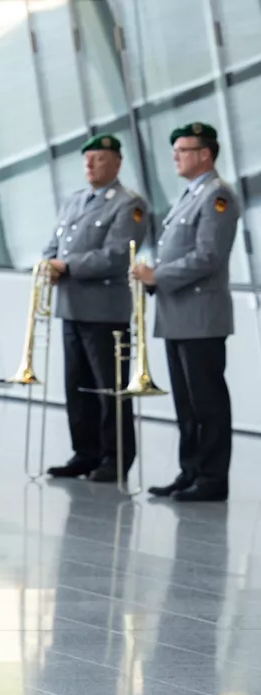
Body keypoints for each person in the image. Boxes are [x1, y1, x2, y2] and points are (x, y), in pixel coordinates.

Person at [132, 123, 238, 503]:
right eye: (175, 150)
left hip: (201, 316)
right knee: (186, 403)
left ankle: (212, 478)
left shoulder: (216, 196)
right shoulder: (189, 196)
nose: (175, 156)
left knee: (207, 401)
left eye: (183, 149)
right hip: (177, 315)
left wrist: (157, 274)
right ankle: (190, 471)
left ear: (205, 154)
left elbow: (208, 256)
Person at [43, 134, 148, 483]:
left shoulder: (128, 204)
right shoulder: (73, 201)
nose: (89, 164)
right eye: (86, 158)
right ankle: (84, 453)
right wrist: (48, 264)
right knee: (77, 387)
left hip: (105, 311)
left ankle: (115, 458)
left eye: (98, 158)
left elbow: (119, 255)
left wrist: (67, 266)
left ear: (116, 163)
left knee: (110, 389)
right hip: (71, 306)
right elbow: (52, 245)